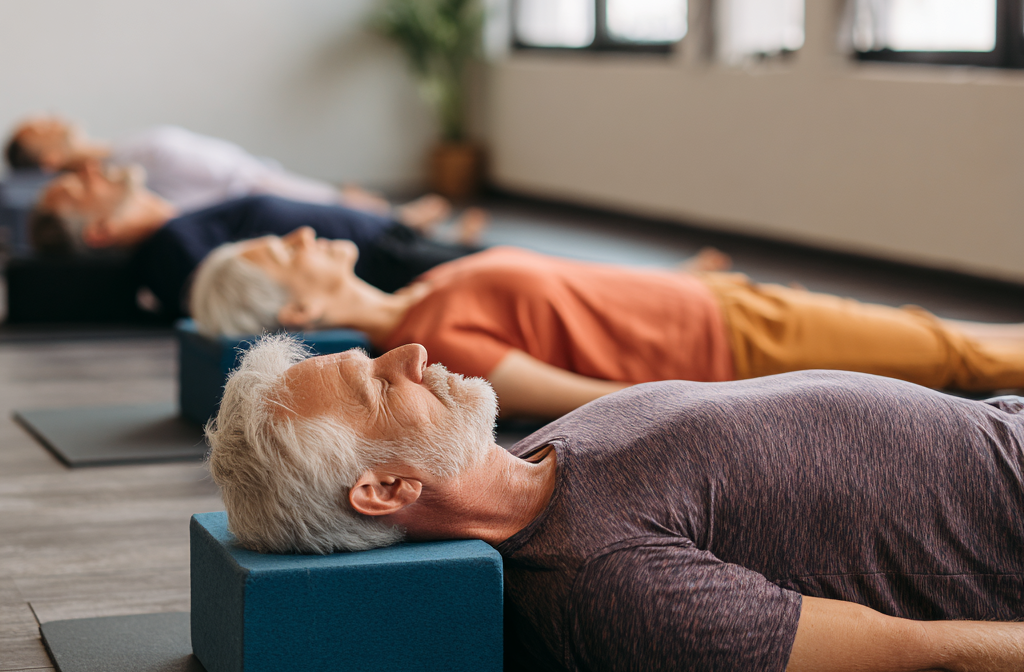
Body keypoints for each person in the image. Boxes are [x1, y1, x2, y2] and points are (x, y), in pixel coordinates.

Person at [205, 336, 1024, 672]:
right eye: (381, 385)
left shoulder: (533, 459)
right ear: (385, 488)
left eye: (374, 354)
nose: (412, 353)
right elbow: (917, 666)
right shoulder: (603, 587)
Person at [190, 229, 1024, 418]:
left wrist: (676, 282)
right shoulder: (432, 338)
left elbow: (575, 288)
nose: (300, 233)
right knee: (956, 355)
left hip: (720, 306)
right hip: (733, 346)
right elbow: (602, 395)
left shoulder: (427, 286)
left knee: (942, 339)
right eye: (280, 250)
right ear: (296, 311)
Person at [29, 165, 478, 319]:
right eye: (75, 189)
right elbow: (236, 301)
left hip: (379, 236)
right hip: (380, 260)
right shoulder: (169, 253)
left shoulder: (174, 228)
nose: (90, 171)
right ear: (100, 230)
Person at [4, 115, 458, 231]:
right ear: (46, 162)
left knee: (341, 199)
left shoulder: (118, 158)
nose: (51, 119)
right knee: (334, 203)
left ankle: (397, 218)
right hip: (243, 184)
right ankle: (400, 222)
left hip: (248, 173)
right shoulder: (116, 179)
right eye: (39, 130)